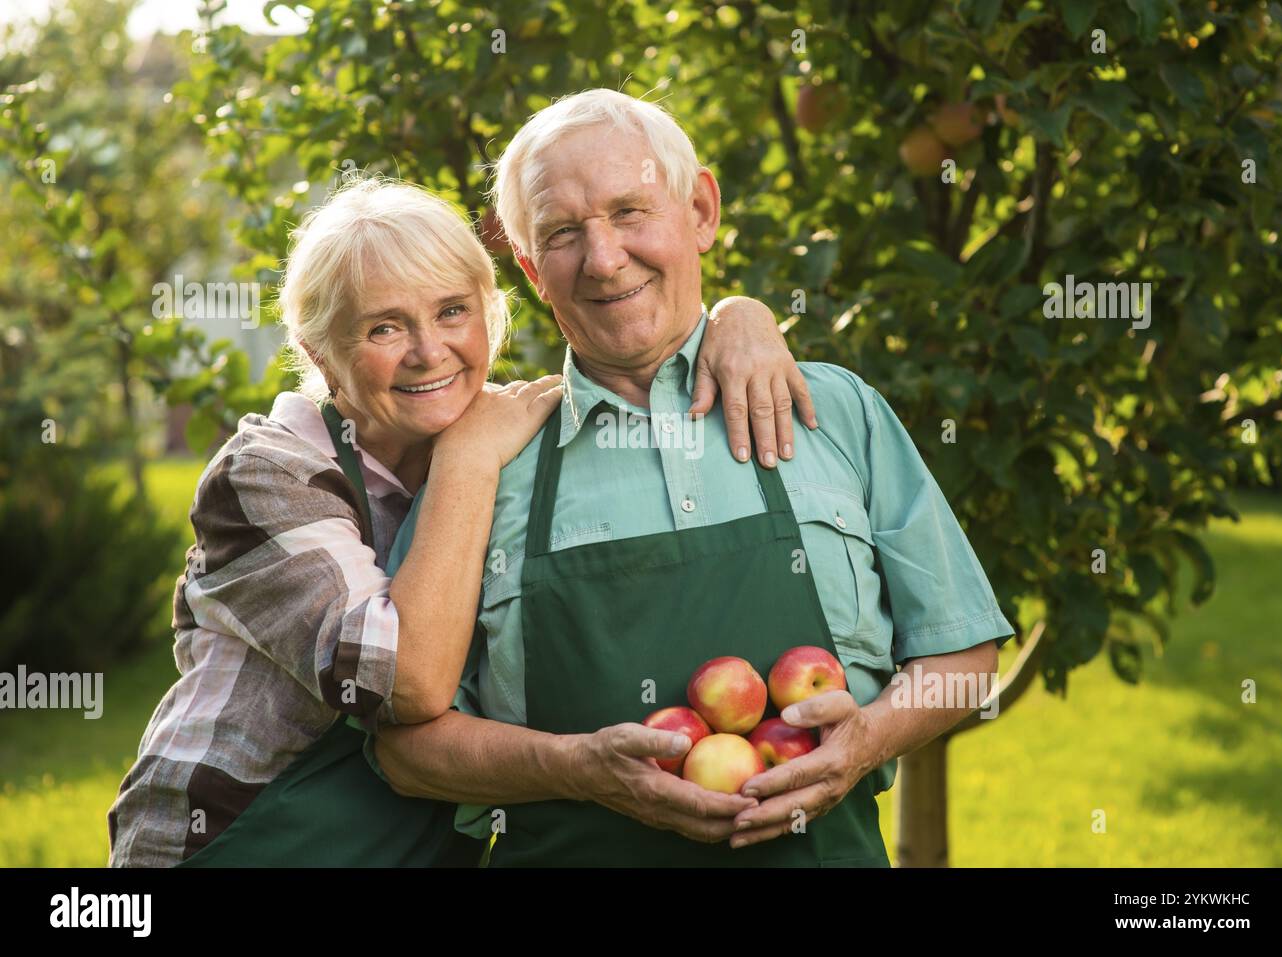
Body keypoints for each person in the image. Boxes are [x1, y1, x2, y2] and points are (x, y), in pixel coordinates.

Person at [375, 89, 1015, 867]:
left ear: (702, 210)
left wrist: (866, 741)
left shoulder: (834, 413)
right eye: (563, 234)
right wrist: (572, 768)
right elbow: (405, 749)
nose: (605, 258)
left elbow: (966, 658)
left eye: (630, 211)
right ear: (532, 268)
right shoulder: (482, 464)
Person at [106, 175, 812, 866]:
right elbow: (403, 685)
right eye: (384, 326)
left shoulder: (508, 430)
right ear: (321, 352)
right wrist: (469, 463)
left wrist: (737, 316)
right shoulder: (268, 474)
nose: (428, 351)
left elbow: (637, 362)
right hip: (237, 841)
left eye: (452, 311)